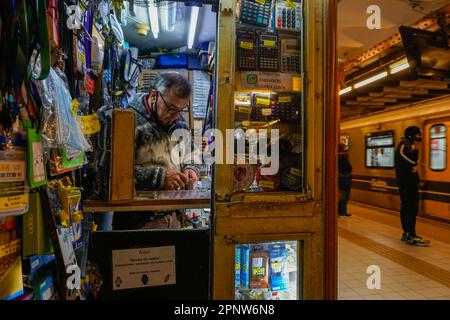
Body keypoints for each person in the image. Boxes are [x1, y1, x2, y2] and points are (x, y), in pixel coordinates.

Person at [113, 72, 200, 230]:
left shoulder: (179, 121)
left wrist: (190, 168)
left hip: (174, 216)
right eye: (171, 108)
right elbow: (115, 175)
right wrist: (160, 177)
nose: (175, 116)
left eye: (181, 110)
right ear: (154, 96)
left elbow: (191, 154)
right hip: (139, 220)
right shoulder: (127, 121)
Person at [394, 126, 429, 246]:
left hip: (408, 181)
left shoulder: (410, 145)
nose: (421, 138)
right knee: (410, 207)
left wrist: (415, 152)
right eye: (418, 135)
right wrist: (414, 163)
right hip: (407, 182)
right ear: (411, 135)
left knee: (407, 207)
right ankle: (411, 235)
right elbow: (401, 154)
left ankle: (407, 233)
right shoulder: (404, 143)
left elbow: (410, 158)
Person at [338, 143, 352, 217]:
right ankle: (342, 211)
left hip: (346, 179)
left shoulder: (344, 156)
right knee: (344, 197)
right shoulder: (339, 156)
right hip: (343, 179)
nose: (345, 149)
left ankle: (343, 211)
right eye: (343, 147)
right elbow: (343, 166)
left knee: (346, 197)